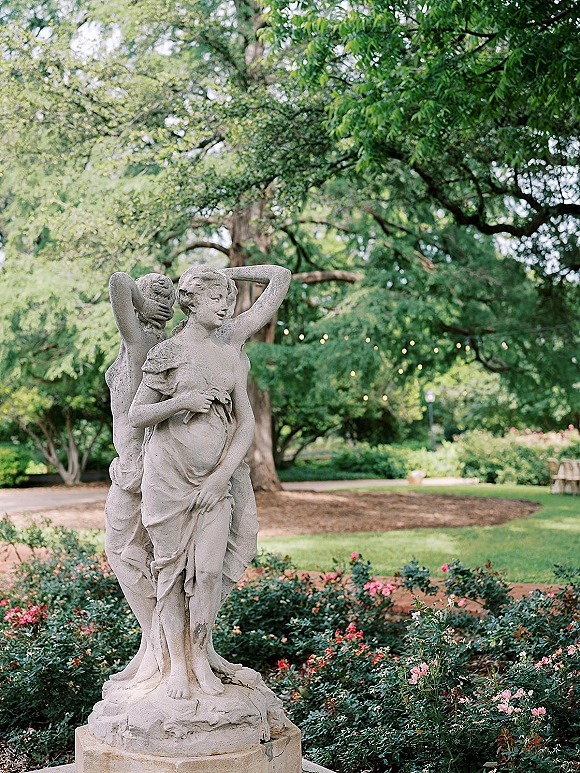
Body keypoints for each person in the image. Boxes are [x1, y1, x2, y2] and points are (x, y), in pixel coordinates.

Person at [128, 264, 290, 699]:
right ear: (192, 300)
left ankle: (201, 655)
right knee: (170, 574)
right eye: (218, 297)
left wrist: (221, 478)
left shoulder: (228, 351)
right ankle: (177, 665)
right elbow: (137, 414)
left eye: (229, 298)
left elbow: (244, 424)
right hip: (168, 478)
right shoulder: (167, 353)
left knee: (209, 571)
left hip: (214, 481)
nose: (227, 305)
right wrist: (181, 400)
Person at [105, 272, 175, 682]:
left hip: (141, 469)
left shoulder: (143, 342)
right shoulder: (143, 342)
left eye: (169, 297)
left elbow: (118, 283)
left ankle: (157, 643)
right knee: (133, 555)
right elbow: (121, 283)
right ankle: (153, 642)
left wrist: (141, 305)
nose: (163, 304)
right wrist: (142, 302)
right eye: (156, 295)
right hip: (131, 466)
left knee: (128, 551)